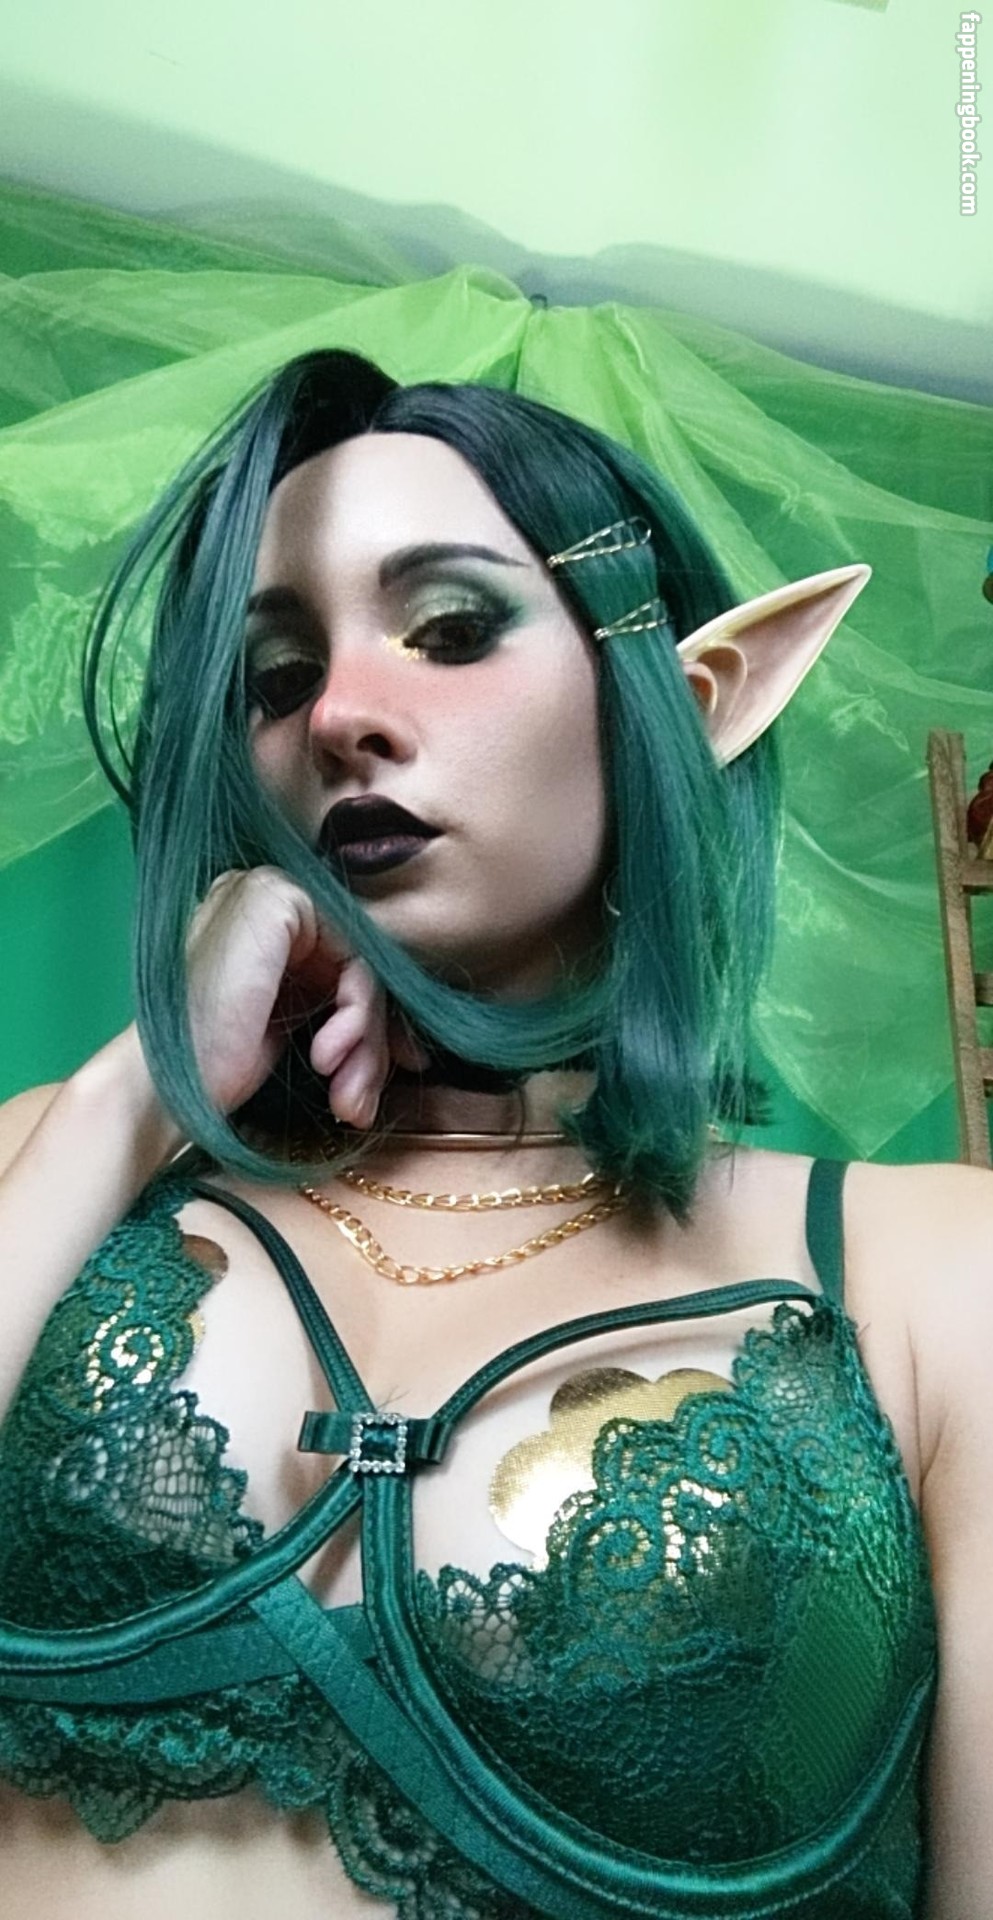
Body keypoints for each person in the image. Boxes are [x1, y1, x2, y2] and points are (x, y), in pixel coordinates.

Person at [0, 348, 989, 1920]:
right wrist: (141, 1085)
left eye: (451, 629)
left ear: (690, 701)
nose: (340, 716)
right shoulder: (55, 1163)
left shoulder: (936, 1275)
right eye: (275, 677)